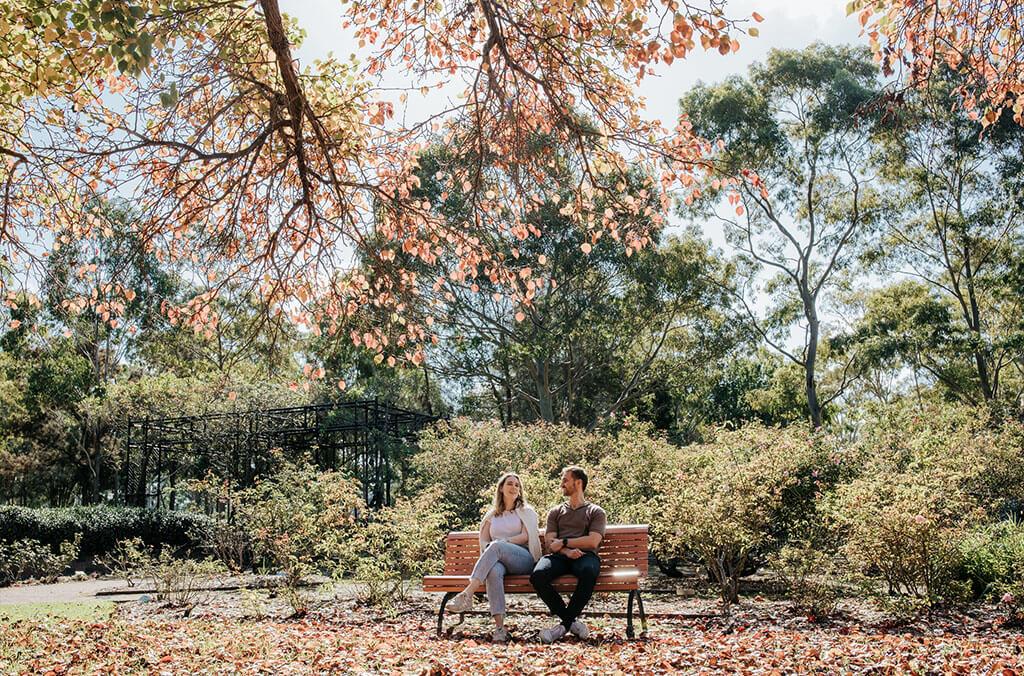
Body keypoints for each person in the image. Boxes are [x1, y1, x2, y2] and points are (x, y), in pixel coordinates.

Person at [446, 472, 542, 642]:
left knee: (496, 546)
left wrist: (502, 542)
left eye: (516, 485)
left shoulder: (526, 511)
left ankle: (468, 593)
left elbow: (526, 537)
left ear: (520, 490)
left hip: (522, 559)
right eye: (509, 484)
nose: (513, 487)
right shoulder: (492, 515)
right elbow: (483, 539)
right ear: (501, 488)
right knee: (493, 571)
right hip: (499, 560)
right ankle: (499, 628)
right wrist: (491, 548)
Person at [530, 465, 606, 643]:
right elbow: (550, 543)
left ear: (578, 483)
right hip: (560, 556)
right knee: (538, 575)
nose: (561, 484)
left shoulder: (595, 512)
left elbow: (593, 541)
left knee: (589, 570)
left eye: (565, 480)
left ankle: (561, 627)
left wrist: (564, 542)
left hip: (585, 556)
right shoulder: (555, 512)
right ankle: (570, 623)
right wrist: (566, 551)